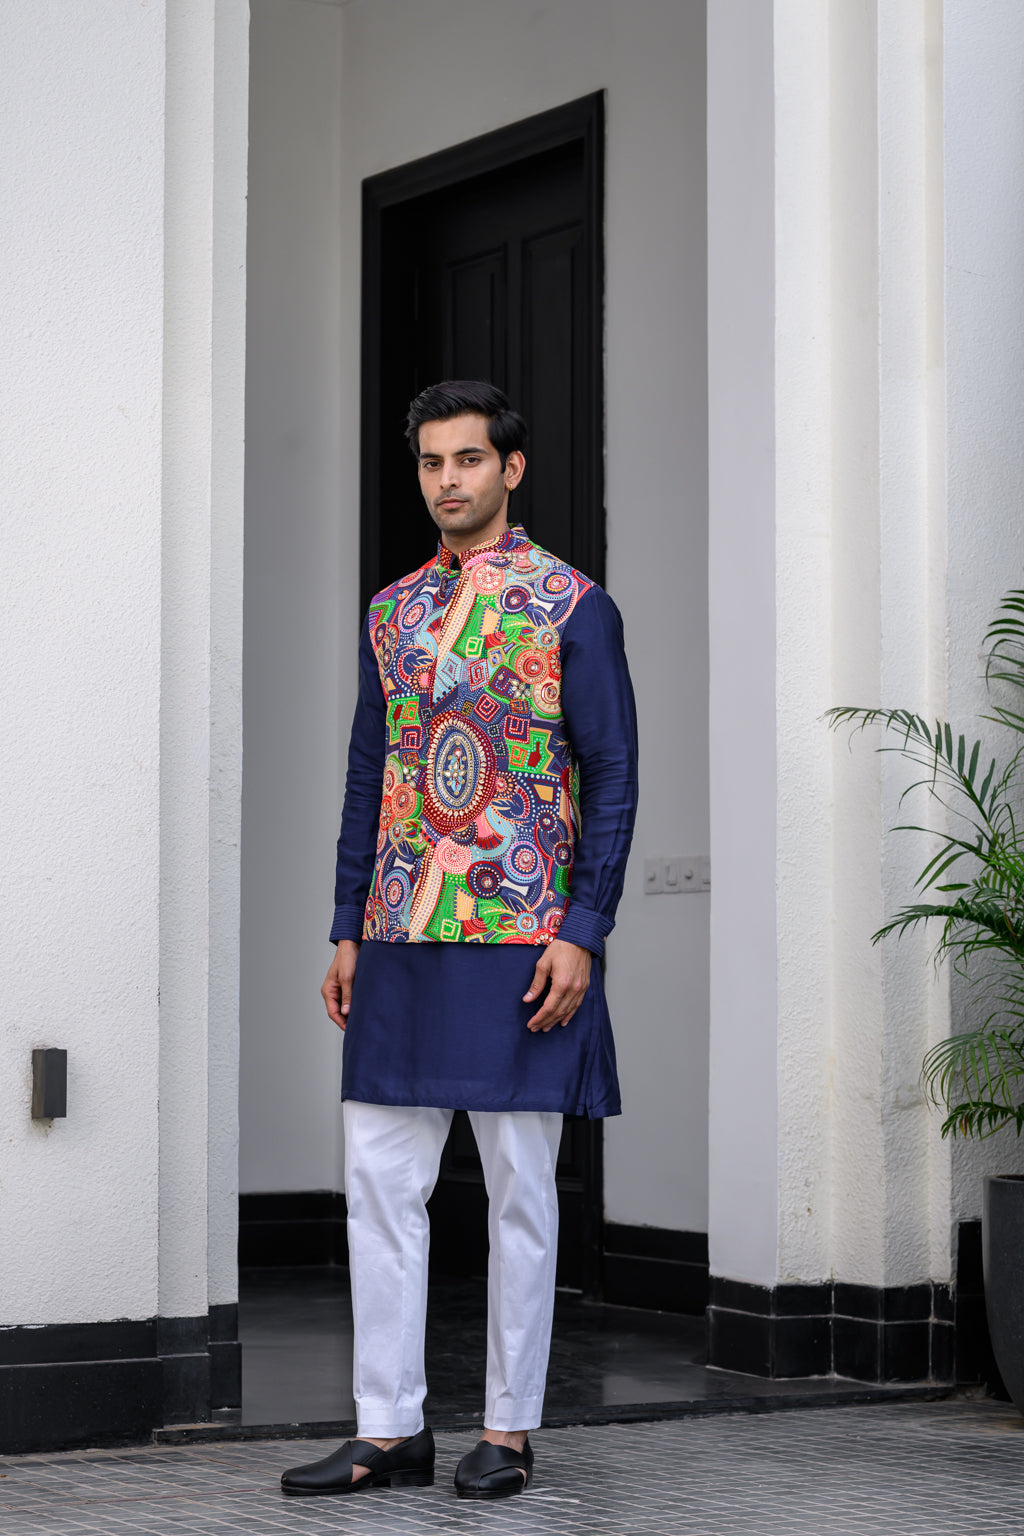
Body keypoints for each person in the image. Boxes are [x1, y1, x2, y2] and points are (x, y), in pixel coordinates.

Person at [281, 380, 638, 1501]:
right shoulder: (391, 613)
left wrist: (583, 929)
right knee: (378, 1183)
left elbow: (613, 773)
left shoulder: (572, 605)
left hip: (523, 934)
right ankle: (389, 1429)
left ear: (510, 469)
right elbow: (369, 773)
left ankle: (508, 1431)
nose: (448, 480)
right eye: (433, 462)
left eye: (469, 459)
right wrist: (347, 925)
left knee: (521, 1189)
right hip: (397, 933)